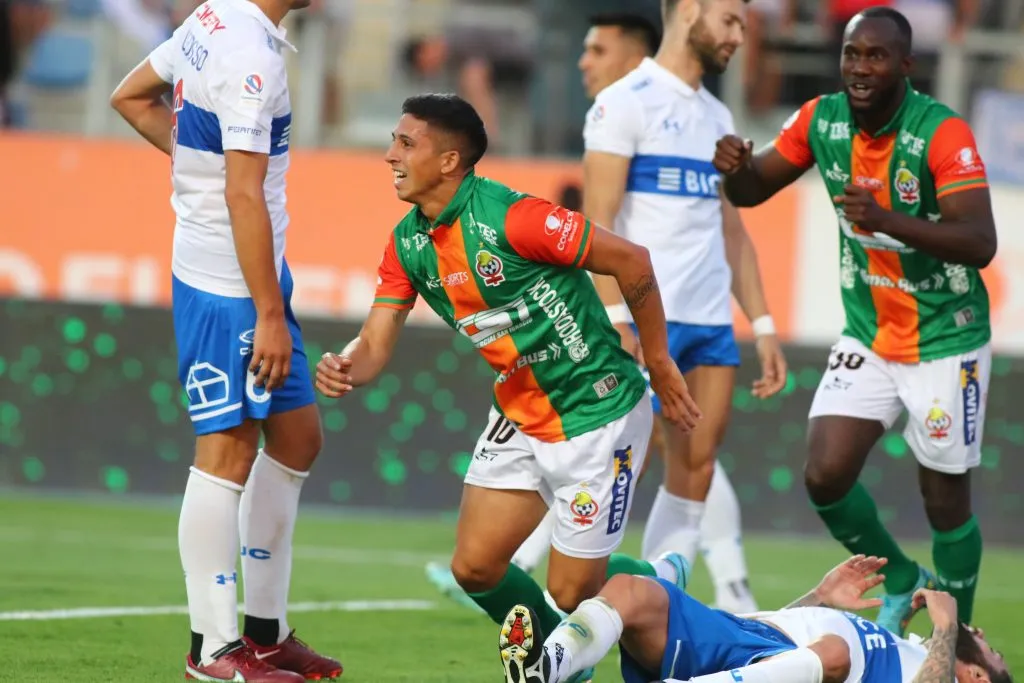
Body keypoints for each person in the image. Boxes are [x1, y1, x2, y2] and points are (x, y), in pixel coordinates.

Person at [315, 92, 701, 683]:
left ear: (449, 161)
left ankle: (659, 580)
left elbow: (633, 259)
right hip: (519, 413)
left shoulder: (512, 218)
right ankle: (562, 661)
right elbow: (374, 343)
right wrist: (344, 364)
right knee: (474, 568)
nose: (389, 154)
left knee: (574, 593)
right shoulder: (407, 244)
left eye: (405, 142)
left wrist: (660, 359)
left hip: (597, 414)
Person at [712, 6, 995, 637]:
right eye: (850, 54)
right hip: (869, 334)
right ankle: (900, 576)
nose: (860, 68)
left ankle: (958, 644)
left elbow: (980, 242)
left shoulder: (942, 134)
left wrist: (887, 218)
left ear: (905, 65)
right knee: (825, 472)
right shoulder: (821, 119)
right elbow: (754, 191)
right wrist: (736, 170)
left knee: (945, 502)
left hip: (947, 339)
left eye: (875, 56)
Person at [110, 0, 343, 680]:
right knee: (227, 450)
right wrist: (269, 313)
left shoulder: (214, 18)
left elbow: (130, 96)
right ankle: (211, 649)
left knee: (298, 436)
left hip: (256, 274)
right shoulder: (249, 56)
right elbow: (244, 196)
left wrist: (196, 172)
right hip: (230, 285)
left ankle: (266, 634)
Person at [422, 10, 667, 617]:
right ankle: (644, 577)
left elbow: (624, 246)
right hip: (615, 318)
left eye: (597, 49)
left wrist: (626, 324)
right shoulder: (610, 120)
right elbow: (601, 232)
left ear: (636, 56)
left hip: (646, 316)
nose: (582, 61)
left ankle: (669, 581)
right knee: (515, 564)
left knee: (691, 457)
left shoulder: (653, 116)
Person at [582, 0, 788, 615]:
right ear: (690, 10)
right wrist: (619, 321)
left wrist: (765, 324)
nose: (737, 37)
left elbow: (731, 231)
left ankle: (660, 610)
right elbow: (598, 223)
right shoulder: (626, 102)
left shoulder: (719, 115)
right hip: (646, 323)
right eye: (729, 21)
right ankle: (571, 605)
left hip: (710, 326)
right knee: (616, 468)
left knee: (696, 468)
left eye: (743, 27)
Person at [498, 554, 1012, 683]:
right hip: (754, 640)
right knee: (632, 592)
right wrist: (820, 597)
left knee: (832, 656)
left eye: (992, 652)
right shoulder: (912, 652)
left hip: (778, 659)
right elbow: (786, 645)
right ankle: (546, 668)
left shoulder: (935, 666)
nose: (984, 636)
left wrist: (948, 625)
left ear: (974, 677)